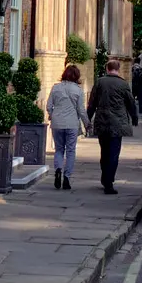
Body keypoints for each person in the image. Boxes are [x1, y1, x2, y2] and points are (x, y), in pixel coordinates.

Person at [85, 57, 140, 194]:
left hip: (102, 121)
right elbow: (131, 103)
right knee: (114, 154)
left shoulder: (100, 82)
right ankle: (109, 181)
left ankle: (105, 178)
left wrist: (87, 119)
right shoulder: (123, 84)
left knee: (104, 152)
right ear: (118, 69)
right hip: (118, 122)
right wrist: (134, 117)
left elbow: (92, 103)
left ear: (107, 69)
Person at [47, 63, 87, 191]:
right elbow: (81, 110)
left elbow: (48, 106)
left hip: (57, 123)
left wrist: (53, 115)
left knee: (59, 149)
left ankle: (58, 169)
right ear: (77, 76)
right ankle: (67, 178)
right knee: (70, 151)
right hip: (71, 124)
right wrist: (87, 124)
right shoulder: (78, 91)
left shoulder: (55, 88)